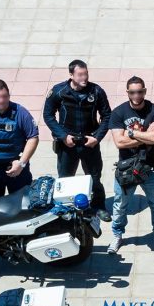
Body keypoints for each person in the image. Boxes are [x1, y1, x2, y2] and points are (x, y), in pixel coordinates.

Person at [43, 59, 113, 221]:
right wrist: (63, 136)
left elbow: (107, 115)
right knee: (65, 178)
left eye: (86, 74)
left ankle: (98, 206)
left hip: (89, 142)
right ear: (71, 75)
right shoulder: (59, 91)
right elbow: (48, 115)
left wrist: (97, 138)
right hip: (68, 143)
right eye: (80, 74)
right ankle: (67, 208)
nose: (84, 78)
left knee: (94, 177)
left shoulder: (96, 91)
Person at [107, 76, 154, 254]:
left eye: (140, 91)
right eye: (132, 92)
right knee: (120, 204)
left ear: (145, 91)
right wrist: (146, 135)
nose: (136, 95)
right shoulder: (119, 112)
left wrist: (132, 133)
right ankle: (117, 235)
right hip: (126, 168)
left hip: (149, 167)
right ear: (127, 92)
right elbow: (119, 142)